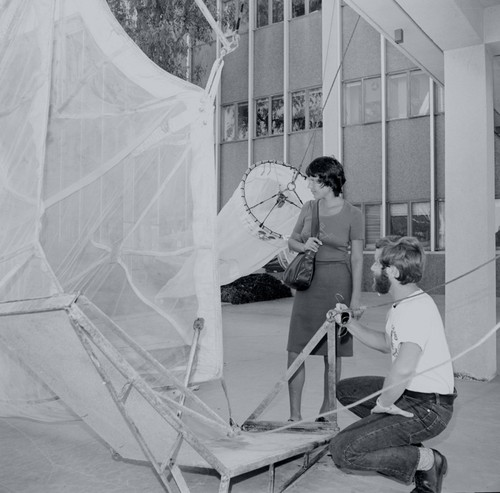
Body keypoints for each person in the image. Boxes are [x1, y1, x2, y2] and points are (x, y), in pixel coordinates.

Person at [330, 236, 457, 493]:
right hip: (411, 393)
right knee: (346, 390)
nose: (373, 269)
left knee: (343, 450)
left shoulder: (416, 310)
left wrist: (385, 404)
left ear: (394, 272)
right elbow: (387, 343)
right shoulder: (401, 305)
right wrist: (349, 322)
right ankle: (396, 437)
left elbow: (403, 368)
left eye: (378, 265)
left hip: (428, 408)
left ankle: (429, 461)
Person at [286, 155, 364, 422]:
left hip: (338, 286)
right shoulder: (308, 207)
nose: (309, 184)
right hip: (308, 286)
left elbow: (357, 258)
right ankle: (294, 416)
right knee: (296, 349)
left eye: (313, 179)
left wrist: (355, 300)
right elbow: (292, 240)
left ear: (329, 181)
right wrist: (303, 245)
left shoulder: (354, 213)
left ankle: (328, 411)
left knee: (334, 353)